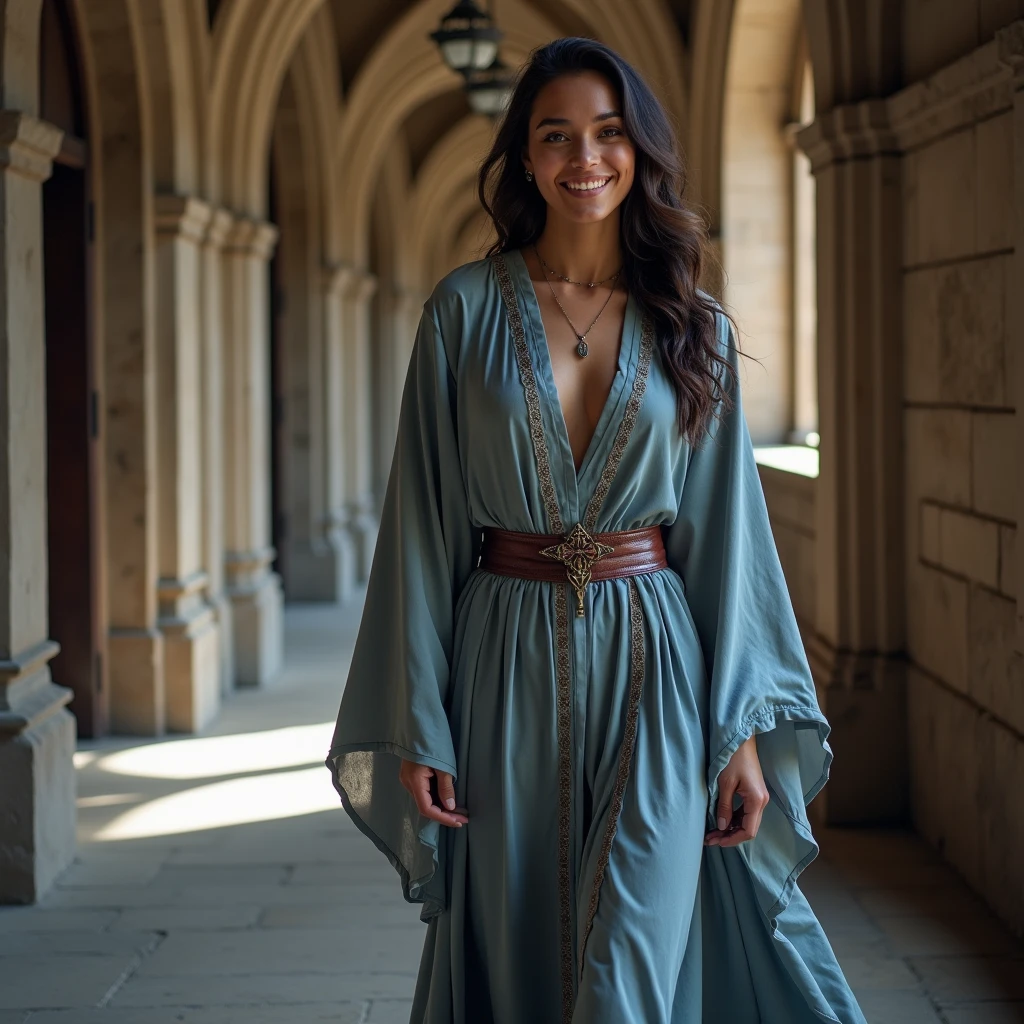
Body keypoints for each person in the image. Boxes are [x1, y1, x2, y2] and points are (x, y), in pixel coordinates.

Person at [326, 36, 866, 1024]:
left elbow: (729, 534)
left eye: (609, 134)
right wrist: (420, 718)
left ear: (640, 151)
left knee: (629, 962)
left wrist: (739, 731)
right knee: (522, 947)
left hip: (657, 668)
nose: (586, 158)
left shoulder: (690, 324)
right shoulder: (459, 313)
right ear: (524, 158)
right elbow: (420, 524)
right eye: (557, 136)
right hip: (501, 668)